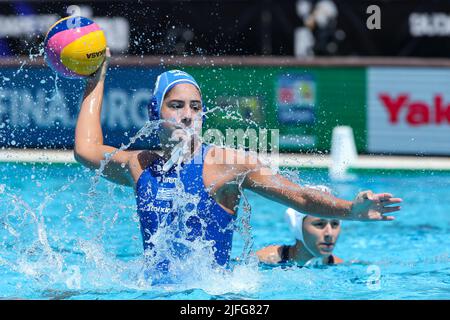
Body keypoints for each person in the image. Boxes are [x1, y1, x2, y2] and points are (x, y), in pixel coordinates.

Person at [74, 48, 402, 280]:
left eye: (195, 106)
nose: (187, 114)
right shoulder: (141, 165)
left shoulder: (228, 164)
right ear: (154, 113)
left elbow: (299, 197)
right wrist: (96, 77)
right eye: (175, 105)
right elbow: (86, 149)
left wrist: (350, 209)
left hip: (213, 294)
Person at [257, 185, 343, 267]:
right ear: (298, 227)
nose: (329, 233)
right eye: (319, 224)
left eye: (335, 224)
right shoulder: (262, 260)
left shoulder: (340, 266)